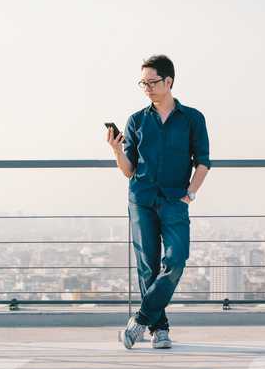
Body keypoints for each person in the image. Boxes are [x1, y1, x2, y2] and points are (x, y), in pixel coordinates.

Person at [106, 55, 211, 349]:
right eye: (143, 83)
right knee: (147, 266)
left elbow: (203, 162)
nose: (147, 88)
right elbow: (129, 170)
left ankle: (140, 320)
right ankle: (159, 329)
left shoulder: (192, 118)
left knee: (176, 260)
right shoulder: (136, 121)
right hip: (141, 199)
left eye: (153, 82)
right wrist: (116, 151)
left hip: (175, 200)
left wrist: (190, 193)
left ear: (169, 82)